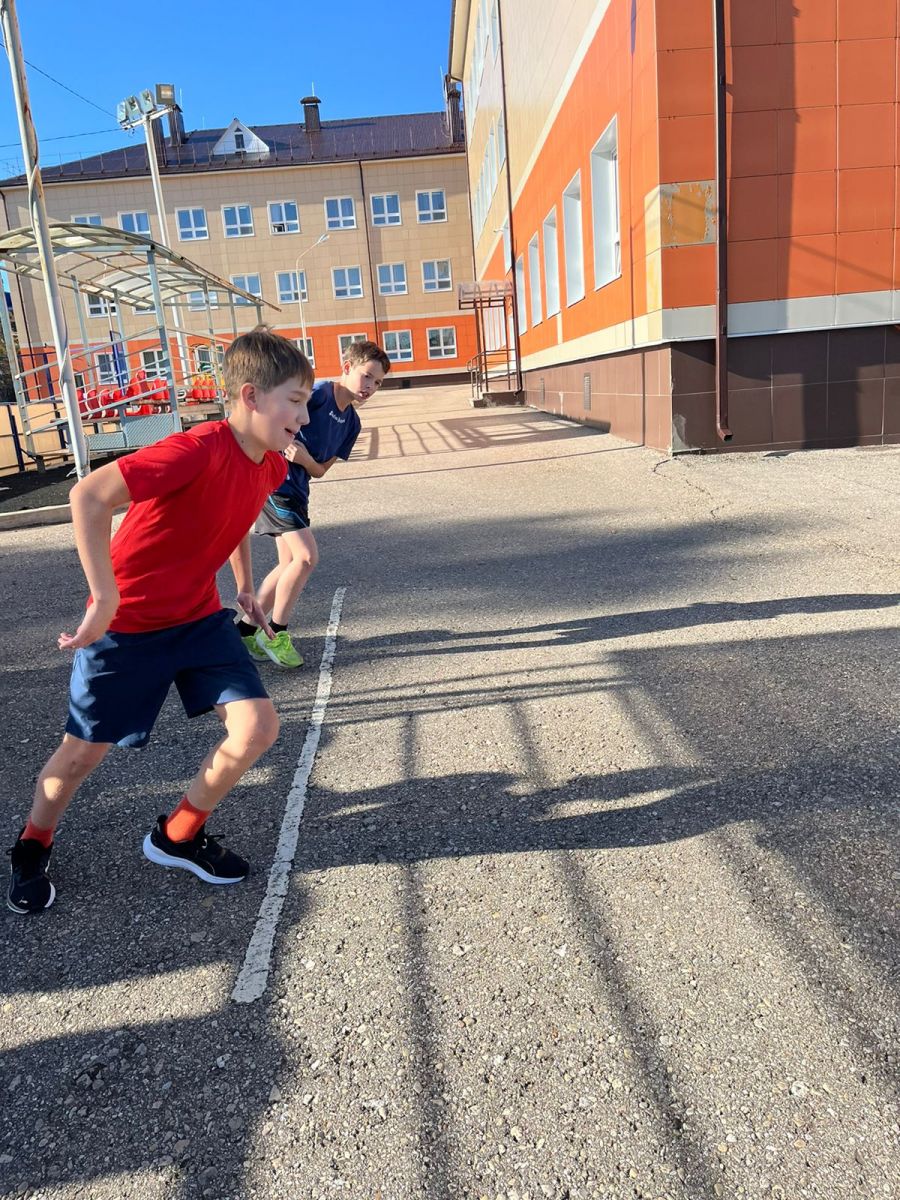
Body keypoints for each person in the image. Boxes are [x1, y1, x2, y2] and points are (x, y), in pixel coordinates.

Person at [6, 326, 313, 915]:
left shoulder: (270, 466)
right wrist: (103, 598)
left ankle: (177, 835)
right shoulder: (196, 449)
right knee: (81, 755)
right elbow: (88, 495)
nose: (304, 415)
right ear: (251, 396)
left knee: (256, 728)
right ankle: (32, 843)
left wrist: (244, 587)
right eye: (295, 401)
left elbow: (237, 519)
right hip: (127, 627)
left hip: (197, 619)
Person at [236, 339, 390, 668]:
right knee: (306, 557)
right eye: (367, 376)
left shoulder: (353, 424)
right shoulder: (317, 394)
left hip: (298, 492)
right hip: (274, 485)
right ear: (347, 367)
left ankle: (245, 630)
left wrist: (304, 458)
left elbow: (319, 470)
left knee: (288, 564)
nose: (370, 387)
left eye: (377, 382)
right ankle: (276, 633)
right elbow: (271, 422)